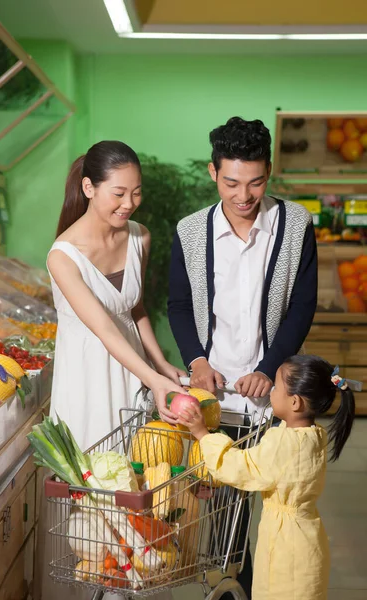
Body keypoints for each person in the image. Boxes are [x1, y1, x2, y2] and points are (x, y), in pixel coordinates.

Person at [168, 116, 318, 597]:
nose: (243, 195)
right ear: (214, 173)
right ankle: (235, 586)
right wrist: (196, 361)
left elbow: (301, 305)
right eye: (231, 182)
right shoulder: (191, 232)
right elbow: (176, 304)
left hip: (271, 397)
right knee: (225, 510)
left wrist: (270, 367)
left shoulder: (295, 225)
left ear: (268, 171)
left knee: (273, 507)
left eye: (255, 182)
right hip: (215, 395)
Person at [178, 354, 356, 600]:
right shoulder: (313, 435)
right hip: (307, 536)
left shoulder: (282, 441)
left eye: (277, 387)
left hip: (285, 545)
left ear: (295, 403)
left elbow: (243, 467)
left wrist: (202, 434)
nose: (271, 391)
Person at [47, 141, 186, 451]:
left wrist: (160, 363)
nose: (129, 203)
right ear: (89, 187)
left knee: (135, 471)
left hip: (133, 368)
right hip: (87, 375)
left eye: (136, 192)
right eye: (119, 193)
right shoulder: (63, 256)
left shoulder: (140, 236)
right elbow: (104, 328)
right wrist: (152, 376)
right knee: (94, 477)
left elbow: (134, 309)